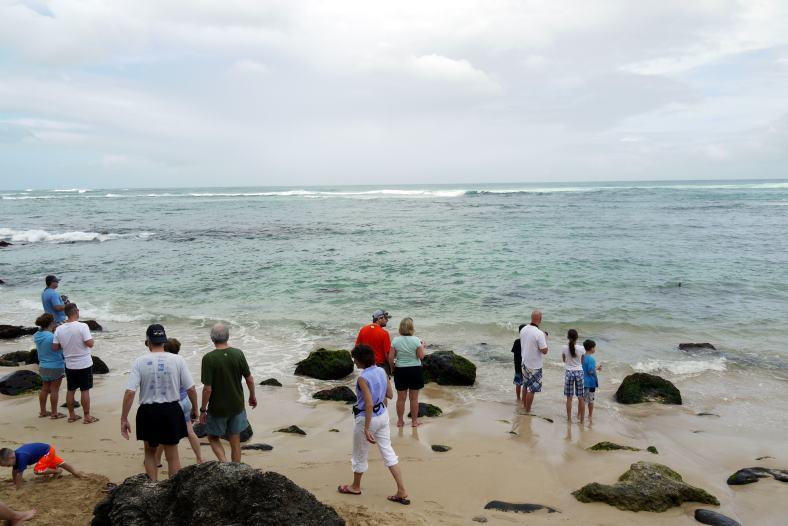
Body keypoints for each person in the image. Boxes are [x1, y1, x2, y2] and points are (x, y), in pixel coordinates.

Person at [120, 325, 197, 481]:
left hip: (148, 411)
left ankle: (152, 486)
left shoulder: (139, 361)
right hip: (171, 409)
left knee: (149, 453)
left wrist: (124, 418)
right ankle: (172, 489)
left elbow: (130, 392)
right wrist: (196, 408)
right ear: (164, 341)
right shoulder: (178, 360)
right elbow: (191, 388)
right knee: (172, 455)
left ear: (148, 341)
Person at [338, 344, 409, 505]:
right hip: (383, 415)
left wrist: (366, 428)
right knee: (388, 452)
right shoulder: (382, 371)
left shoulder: (363, 378)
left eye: (355, 359)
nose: (354, 362)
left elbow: (368, 404)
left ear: (361, 361)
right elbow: (390, 394)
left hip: (367, 418)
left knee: (360, 454)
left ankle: (355, 487)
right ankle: (401, 490)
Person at [199, 323, 256, 463]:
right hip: (236, 404)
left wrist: (203, 409)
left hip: (217, 407)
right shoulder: (238, 354)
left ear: (212, 338)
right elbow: (249, 379)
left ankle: (224, 463)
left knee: (212, 437)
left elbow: (207, 389)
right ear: (228, 336)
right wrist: (252, 396)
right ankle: (235, 468)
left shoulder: (208, 358)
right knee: (235, 438)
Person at [154, 338, 203, 466]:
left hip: (169, 404)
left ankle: (157, 460)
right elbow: (191, 388)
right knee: (190, 432)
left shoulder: (161, 364)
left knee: (163, 433)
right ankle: (199, 458)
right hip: (184, 400)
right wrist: (195, 408)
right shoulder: (181, 363)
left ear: (164, 348)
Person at [52, 303, 97, 424]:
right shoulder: (82, 326)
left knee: (71, 390)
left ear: (66, 313)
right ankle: (87, 416)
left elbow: (55, 347)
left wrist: (65, 345)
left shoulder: (59, 329)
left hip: (69, 364)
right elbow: (90, 344)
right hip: (84, 363)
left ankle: (71, 415)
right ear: (76, 311)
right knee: (85, 390)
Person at [388, 317, 425, 428]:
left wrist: (392, 368)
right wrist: (422, 346)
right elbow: (421, 356)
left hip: (401, 370)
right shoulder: (416, 340)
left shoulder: (395, 340)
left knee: (401, 398)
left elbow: (391, 357)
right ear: (411, 327)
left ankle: (400, 421)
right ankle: (414, 422)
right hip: (415, 370)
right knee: (414, 398)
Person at [0, 443, 83, 489]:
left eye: (8, 465)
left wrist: (17, 487)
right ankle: (75, 473)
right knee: (60, 463)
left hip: (47, 451)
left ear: (11, 457)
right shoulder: (15, 457)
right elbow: (14, 471)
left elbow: (19, 474)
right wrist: (14, 482)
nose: (8, 467)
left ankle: (57, 471)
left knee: (38, 470)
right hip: (46, 451)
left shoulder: (21, 457)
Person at [33, 313, 66, 419]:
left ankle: (43, 411)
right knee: (54, 390)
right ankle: (54, 413)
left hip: (43, 365)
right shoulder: (52, 336)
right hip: (56, 365)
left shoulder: (37, 335)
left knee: (44, 389)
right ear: (51, 323)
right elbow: (62, 346)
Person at [519, 310, 548, 413]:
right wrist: (545, 339)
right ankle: (527, 410)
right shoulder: (539, 333)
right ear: (540, 319)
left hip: (524, 362)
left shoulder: (523, 329)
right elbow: (544, 351)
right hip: (534, 365)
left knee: (525, 385)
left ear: (531, 318)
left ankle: (524, 406)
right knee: (532, 389)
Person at [561, 329, 586, 423]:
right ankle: (582, 420)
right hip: (579, 372)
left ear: (568, 337)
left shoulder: (564, 348)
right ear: (577, 337)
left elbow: (564, 360)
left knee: (569, 398)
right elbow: (582, 362)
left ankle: (569, 419)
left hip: (569, 372)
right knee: (581, 397)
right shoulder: (582, 348)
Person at [582, 339, 602, 421]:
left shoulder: (582, 357)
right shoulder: (591, 359)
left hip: (583, 381)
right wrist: (597, 367)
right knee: (591, 401)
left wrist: (595, 368)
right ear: (591, 348)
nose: (595, 349)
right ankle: (590, 416)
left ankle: (580, 415)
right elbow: (590, 371)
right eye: (594, 347)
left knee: (582, 400)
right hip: (590, 383)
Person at [511, 324, 527, 401]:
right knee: (525, 384)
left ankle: (518, 398)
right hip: (526, 365)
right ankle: (524, 399)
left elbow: (514, 352)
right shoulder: (527, 342)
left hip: (517, 365)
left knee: (518, 383)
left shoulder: (517, 341)